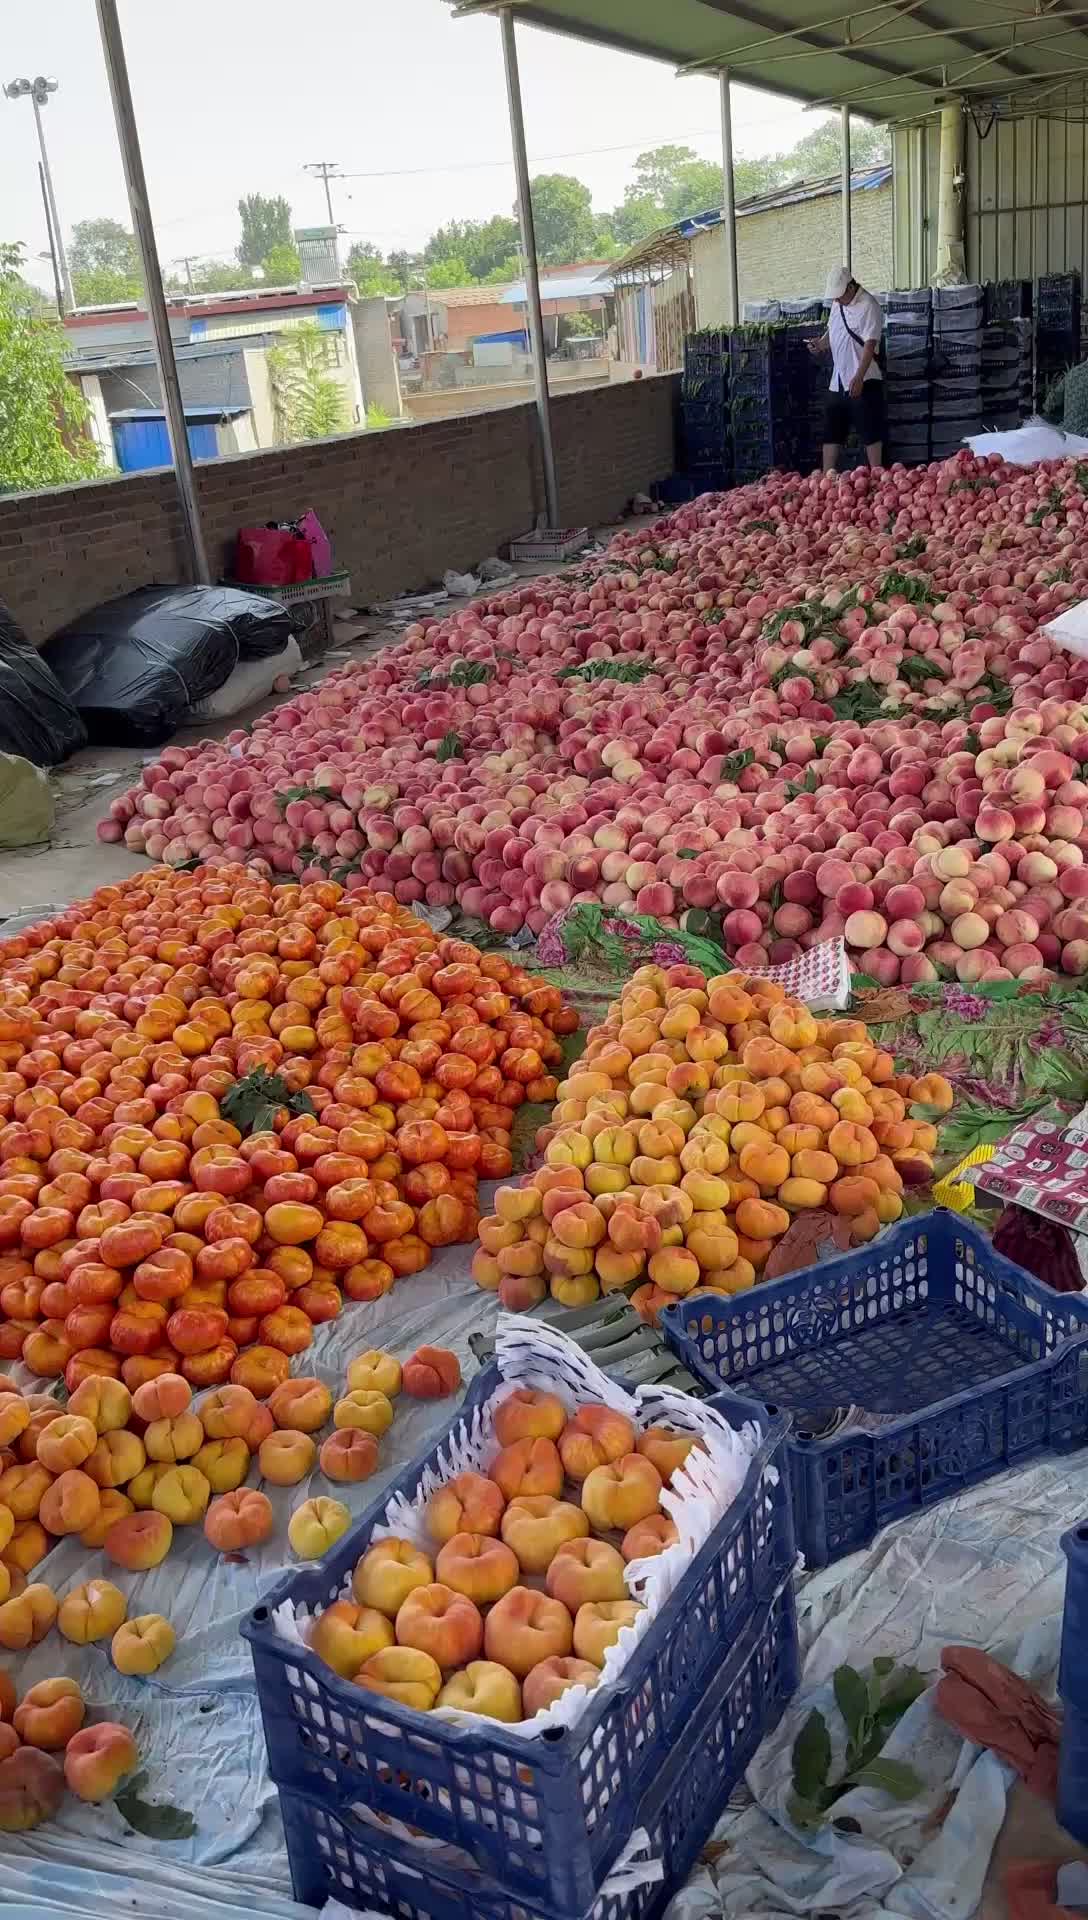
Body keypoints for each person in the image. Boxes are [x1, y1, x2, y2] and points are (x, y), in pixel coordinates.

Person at [807, 265, 885, 471]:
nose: (836, 300)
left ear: (851, 287)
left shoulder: (869, 305)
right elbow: (833, 331)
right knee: (832, 429)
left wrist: (859, 377)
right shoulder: (837, 305)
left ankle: (877, 476)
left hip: (865, 378)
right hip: (838, 379)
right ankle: (826, 477)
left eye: (839, 295)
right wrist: (820, 344)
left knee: (870, 430)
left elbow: (870, 344)